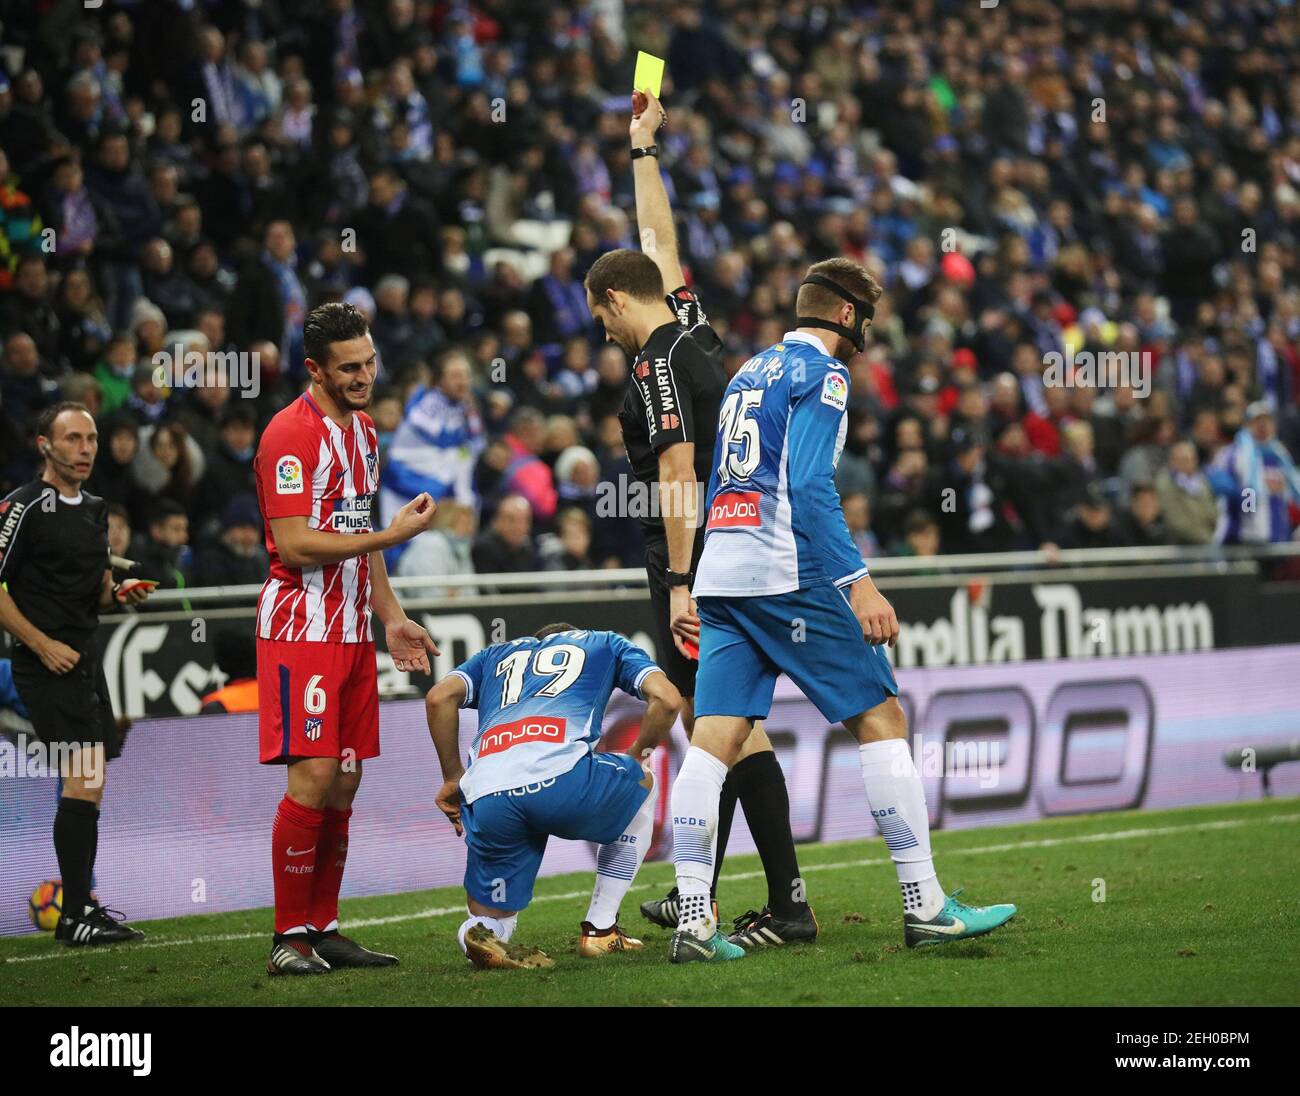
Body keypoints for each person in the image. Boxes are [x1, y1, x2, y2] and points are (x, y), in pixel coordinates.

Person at [665, 257, 1016, 962]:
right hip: (782, 571)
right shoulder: (822, 375)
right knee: (880, 716)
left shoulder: (749, 370)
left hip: (722, 573)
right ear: (847, 316)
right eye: (868, 321)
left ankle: (694, 923)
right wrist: (857, 581)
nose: (869, 336)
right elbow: (808, 481)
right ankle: (926, 906)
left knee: (713, 743)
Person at [584, 87, 815, 948]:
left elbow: (677, 473)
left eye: (599, 315)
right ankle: (712, 891)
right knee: (717, 720)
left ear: (612, 303)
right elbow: (658, 244)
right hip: (735, 543)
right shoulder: (693, 337)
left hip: (693, 554)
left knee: (720, 724)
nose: (601, 332)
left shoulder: (654, 365)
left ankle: (769, 901)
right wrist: (643, 153)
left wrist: (680, 580)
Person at [253, 302, 440, 976]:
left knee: (346, 781)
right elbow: (298, 544)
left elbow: (360, 538)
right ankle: (286, 937)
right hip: (301, 629)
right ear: (316, 369)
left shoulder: (363, 431)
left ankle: (323, 928)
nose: (365, 376)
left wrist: (390, 616)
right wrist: (389, 535)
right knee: (315, 775)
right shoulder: (288, 436)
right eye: (350, 368)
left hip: (354, 632)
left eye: (369, 363)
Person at [424, 624, 682, 968]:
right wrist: (638, 753)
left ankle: (478, 931)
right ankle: (601, 929)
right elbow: (667, 700)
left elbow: (438, 698)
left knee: (494, 916)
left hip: (488, 791)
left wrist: (453, 778)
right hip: (562, 782)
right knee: (643, 783)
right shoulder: (604, 643)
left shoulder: (492, 655)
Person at [0, 401, 154, 946]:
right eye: (72, 439)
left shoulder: (93, 508)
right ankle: (73, 915)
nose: (85, 448)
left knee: (92, 781)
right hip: (47, 663)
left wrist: (118, 594)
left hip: (86, 658)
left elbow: (95, 593)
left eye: (90, 438)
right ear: (45, 445)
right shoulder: (22, 508)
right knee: (85, 776)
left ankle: (80, 909)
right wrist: (41, 645)